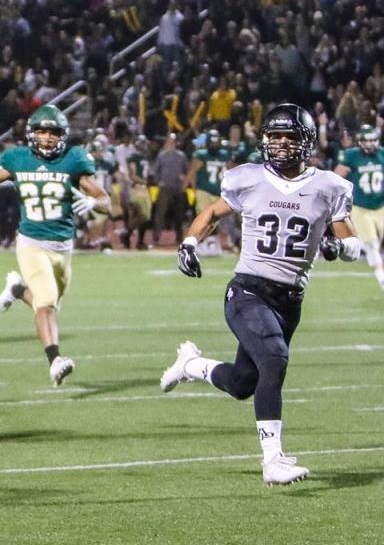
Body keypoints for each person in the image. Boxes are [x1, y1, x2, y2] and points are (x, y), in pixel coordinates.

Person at [161, 103, 360, 486]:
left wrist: (338, 246)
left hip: (289, 301)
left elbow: (352, 243)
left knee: (242, 383)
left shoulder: (329, 186)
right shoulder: (248, 177)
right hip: (248, 291)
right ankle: (273, 460)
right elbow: (213, 213)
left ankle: (191, 366)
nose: (281, 143)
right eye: (274, 136)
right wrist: (188, 242)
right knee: (274, 359)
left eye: (289, 136)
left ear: (306, 141)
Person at [0, 105, 109, 386]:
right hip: (31, 243)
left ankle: (17, 289)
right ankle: (55, 360)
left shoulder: (73, 159)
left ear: (62, 135)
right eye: (42, 131)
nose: (47, 137)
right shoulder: (17, 158)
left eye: (53, 132)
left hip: (63, 246)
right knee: (46, 302)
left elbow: (107, 201)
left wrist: (93, 202)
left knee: (48, 304)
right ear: (32, 134)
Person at [334, 125, 384, 289]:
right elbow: (337, 176)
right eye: (366, 140)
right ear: (360, 142)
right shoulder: (351, 155)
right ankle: (382, 279)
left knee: (374, 244)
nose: (369, 144)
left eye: (372, 140)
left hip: (381, 206)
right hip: (361, 208)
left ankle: (357, 244)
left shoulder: (382, 154)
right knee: (372, 245)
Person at [189, 129, 234, 251]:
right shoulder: (201, 154)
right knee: (204, 218)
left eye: (216, 142)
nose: (214, 145)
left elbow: (232, 172)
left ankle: (214, 242)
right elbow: (192, 172)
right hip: (204, 191)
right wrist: (194, 188)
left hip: (220, 192)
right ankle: (200, 242)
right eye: (212, 142)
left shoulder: (225, 154)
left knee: (218, 220)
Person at [152, 134, 190, 246]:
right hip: (165, 187)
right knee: (160, 212)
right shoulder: (161, 155)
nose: (170, 144)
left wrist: (184, 179)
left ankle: (179, 237)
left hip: (178, 187)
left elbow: (187, 170)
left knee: (179, 213)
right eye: (168, 142)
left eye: (172, 142)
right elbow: (156, 170)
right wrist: (158, 181)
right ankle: (156, 237)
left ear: (175, 143)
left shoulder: (181, 156)